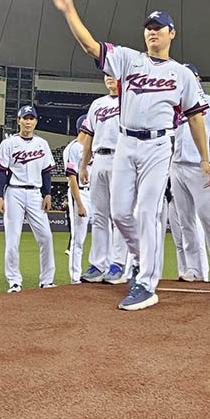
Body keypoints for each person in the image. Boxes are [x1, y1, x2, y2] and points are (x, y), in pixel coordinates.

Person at [53, 0, 210, 311]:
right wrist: (70, 11)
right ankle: (130, 263)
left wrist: (206, 158)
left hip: (158, 145)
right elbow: (89, 45)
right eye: (149, 29)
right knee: (120, 213)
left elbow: (196, 119)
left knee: (146, 212)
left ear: (171, 33)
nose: (153, 33)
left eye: (159, 28)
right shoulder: (128, 59)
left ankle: (144, 282)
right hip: (126, 143)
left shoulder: (181, 74)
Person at [170, 64, 210, 283]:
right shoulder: (175, 105)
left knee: (207, 218)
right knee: (185, 221)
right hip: (177, 166)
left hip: (202, 167)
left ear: (197, 78)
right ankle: (194, 268)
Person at [0, 105, 57, 292]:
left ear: (36, 121)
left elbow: (46, 172)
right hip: (14, 192)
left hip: (36, 193)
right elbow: (1, 172)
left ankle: (47, 280)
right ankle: (14, 281)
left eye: (31, 118)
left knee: (46, 237)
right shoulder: (8, 143)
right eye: (25, 118)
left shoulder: (42, 144)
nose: (28, 121)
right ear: (19, 120)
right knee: (12, 239)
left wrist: (47, 194)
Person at [78, 77, 129, 283]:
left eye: (113, 73)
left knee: (118, 214)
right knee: (98, 216)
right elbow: (89, 134)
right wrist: (83, 164)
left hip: (121, 157)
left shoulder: (129, 100)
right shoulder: (97, 104)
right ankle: (99, 264)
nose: (109, 77)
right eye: (106, 73)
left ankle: (117, 264)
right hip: (99, 158)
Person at [64, 117, 92, 285]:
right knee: (78, 239)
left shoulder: (93, 148)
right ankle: (75, 278)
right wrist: (79, 203)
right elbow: (72, 178)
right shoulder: (73, 148)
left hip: (96, 194)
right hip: (81, 193)